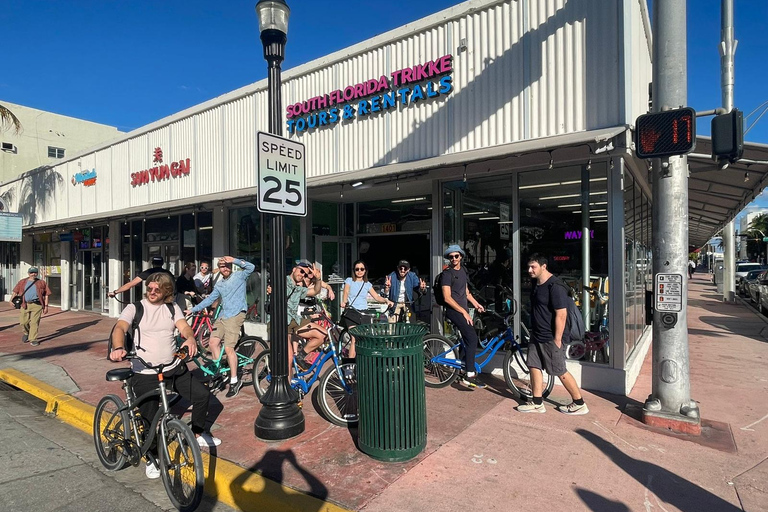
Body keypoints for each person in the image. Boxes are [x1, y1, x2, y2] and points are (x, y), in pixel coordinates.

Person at [108, 272, 220, 479]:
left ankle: (196, 433)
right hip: (145, 372)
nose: (152, 292)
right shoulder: (135, 307)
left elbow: (184, 327)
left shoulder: (172, 307)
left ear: (167, 291)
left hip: (172, 367)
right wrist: (118, 347)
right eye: (149, 288)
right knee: (149, 420)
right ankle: (152, 458)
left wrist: (190, 339)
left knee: (202, 396)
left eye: (157, 289)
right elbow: (120, 328)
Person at [520, 254, 588, 415]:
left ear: (544, 267)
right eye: (529, 267)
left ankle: (579, 403)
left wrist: (557, 339)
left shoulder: (555, 287)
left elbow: (561, 314)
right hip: (537, 334)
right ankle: (537, 403)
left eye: (533, 267)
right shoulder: (537, 284)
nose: (529, 270)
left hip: (551, 337)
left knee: (559, 370)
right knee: (534, 365)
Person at [188, 256, 254, 398]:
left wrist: (234, 259)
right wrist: (192, 310)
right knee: (212, 343)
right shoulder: (219, 285)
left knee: (229, 348)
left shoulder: (239, 276)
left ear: (230, 266)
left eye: (227, 266)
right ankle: (222, 374)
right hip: (223, 316)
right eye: (222, 266)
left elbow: (251, 267)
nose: (225, 269)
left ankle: (235, 381)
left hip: (236, 314)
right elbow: (211, 299)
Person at [440, 245, 487, 389]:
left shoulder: (463, 271)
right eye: (450, 257)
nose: (453, 259)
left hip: (463, 310)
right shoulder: (446, 275)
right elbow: (447, 298)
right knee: (472, 338)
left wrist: (476, 304)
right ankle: (469, 375)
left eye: (456, 256)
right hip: (454, 311)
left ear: (461, 256)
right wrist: (464, 312)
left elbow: (466, 292)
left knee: (468, 339)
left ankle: (461, 368)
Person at [341, 260, 393, 357]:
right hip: (352, 311)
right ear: (354, 270)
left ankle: (362, 362)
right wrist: (344, 302)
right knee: (354, 338)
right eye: (357, 269)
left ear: (365, 271)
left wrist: (386, 301)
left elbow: (377, 297)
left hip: (364, 313)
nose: (359, 271)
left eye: (362, 269)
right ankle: (350, 366)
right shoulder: (349, 280)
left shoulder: (367, 284)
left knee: (365, 339)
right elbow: (346, 292)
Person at [286, 260, 332, 371]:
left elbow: (315, 291)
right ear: (294, 269)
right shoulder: (283, 281)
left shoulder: (298, 289)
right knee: (288, 357)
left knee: (324, 335)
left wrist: (318, 279)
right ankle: (286, 386)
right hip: (281, 321)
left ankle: (300, 356)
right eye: (301, 271)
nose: (302, 275)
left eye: (305, 274)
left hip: (294, 320)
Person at [11, 267, 52, 347]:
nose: (33, 274)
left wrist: (46, 306)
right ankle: (26, 333)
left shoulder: (41, 282)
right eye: (31, 273)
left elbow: (46, 295)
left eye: (35, 273)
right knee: (23, 322)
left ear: (37, 273)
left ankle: (33, 339)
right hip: (24, 304)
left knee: (34, 322)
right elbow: (15, 291)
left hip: (37, 305)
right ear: (28, 273)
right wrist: (11, 300)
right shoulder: (22, 282)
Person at [109, 256, 174, 299]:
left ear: (152, 263)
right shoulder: (168, 273)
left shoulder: (148, 272)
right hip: (166, 298)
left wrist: (115, 292)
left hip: (154, 298)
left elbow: (130, 284)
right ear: (162, 263)